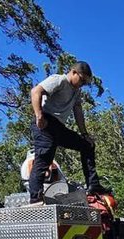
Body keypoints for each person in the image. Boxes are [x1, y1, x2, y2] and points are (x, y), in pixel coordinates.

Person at [28, 62, 106, 204]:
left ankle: (93, 185)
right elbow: (36, 91)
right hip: (46, 122)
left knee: (87, 146)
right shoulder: (59, 80)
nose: (82, 84)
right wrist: (39, 115)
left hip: (59, 127)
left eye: (85, 83)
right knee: (44, 158)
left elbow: (78, 111)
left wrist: (85, 134)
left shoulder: (77, 92)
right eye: (82, 80)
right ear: (74, 72)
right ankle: (36, 198)